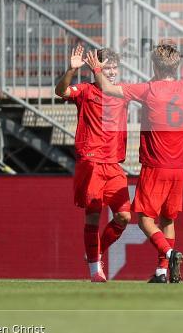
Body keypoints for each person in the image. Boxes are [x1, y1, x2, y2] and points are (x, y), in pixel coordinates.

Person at [87, 43, 183, 284]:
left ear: (154, 66)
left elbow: (106, 86)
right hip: (179, 168)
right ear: (177, 67)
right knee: (168, 219)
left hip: (156, 165)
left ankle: (169, 254)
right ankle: (161, 272)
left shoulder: (148, 90)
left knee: (145, 219)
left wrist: (96, 68)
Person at [55, 45, 132, 283]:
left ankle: (96, 252)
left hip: (114, 164)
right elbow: (61, 91)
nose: (110, 71)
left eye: (114, 67)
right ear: (95, 68)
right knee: (93, 215)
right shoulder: (86, 91)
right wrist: (71, 69)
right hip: (91, 162)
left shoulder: (122, 92)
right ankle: (94, 269)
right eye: (106, 67)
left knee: (124, 217)